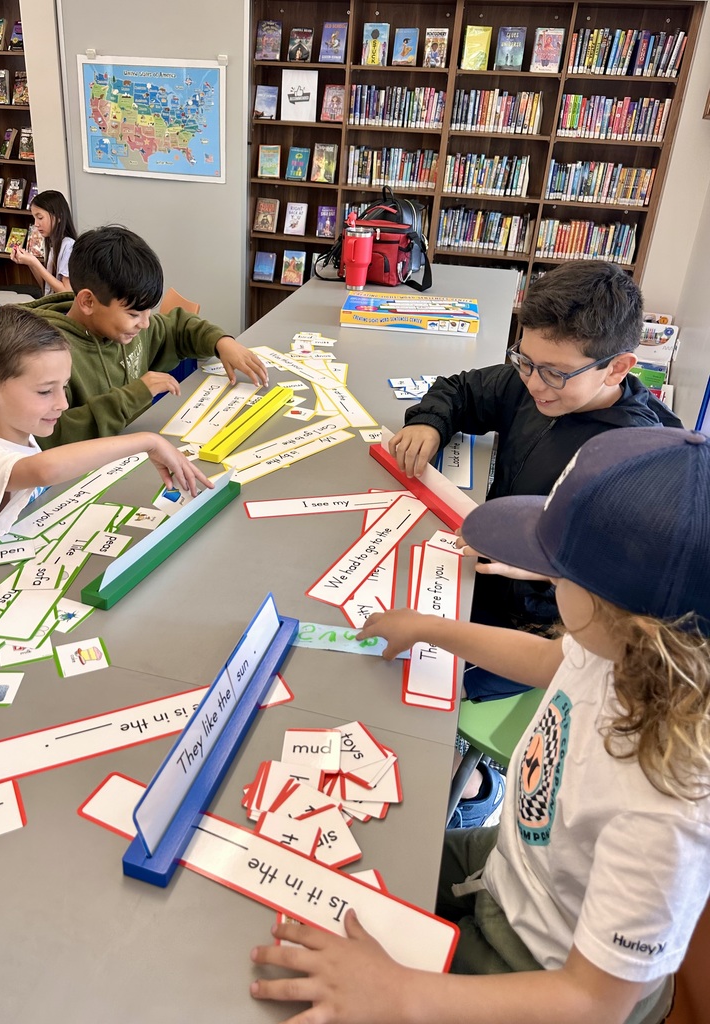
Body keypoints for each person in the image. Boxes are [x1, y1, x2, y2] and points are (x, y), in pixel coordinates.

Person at [251, 426, 710, 1024]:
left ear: (631, 620)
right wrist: (432, 628)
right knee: (329, 874)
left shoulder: (666, 810)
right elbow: (550, 661)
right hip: (507, 865)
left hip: (531, 968)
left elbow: (592, 1003)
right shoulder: (616, 650)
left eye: (557, 573)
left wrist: (400, 994)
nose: (545, 580)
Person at [391, 260, 682, 701]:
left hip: (540, 632)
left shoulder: (637, 462)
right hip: (480, 575)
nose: (533, 383)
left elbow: (624, 600)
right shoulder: (538, 378)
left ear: (617, 368)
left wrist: (544, 568)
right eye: (524, 360)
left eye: (554, 372)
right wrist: (429, 423)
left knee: (412, 689)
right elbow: (462, 390)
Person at [0, 305, 211, 554]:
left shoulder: (23, 435)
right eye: (44, 391)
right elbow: (45, 470)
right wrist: (148, 441)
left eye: (63, 387)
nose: (62, 404)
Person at [26, 224, 268, 448]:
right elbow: (50, 436)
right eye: (133, 314)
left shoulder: (126, 329)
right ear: (88, 301)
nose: (145, 323)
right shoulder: (48, 358)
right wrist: (134, 396)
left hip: (138, 450)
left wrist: (221, 342)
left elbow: (178, 327)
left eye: (148, 311)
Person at [10, 189, 78, 295]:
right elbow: (46, 286)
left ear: (59, 216)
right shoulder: (53, 244)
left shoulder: (69, 245)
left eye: (40, 217)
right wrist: (30, 263)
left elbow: (66, 292)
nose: (36, 224)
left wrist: (35, 262)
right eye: (34, 218)